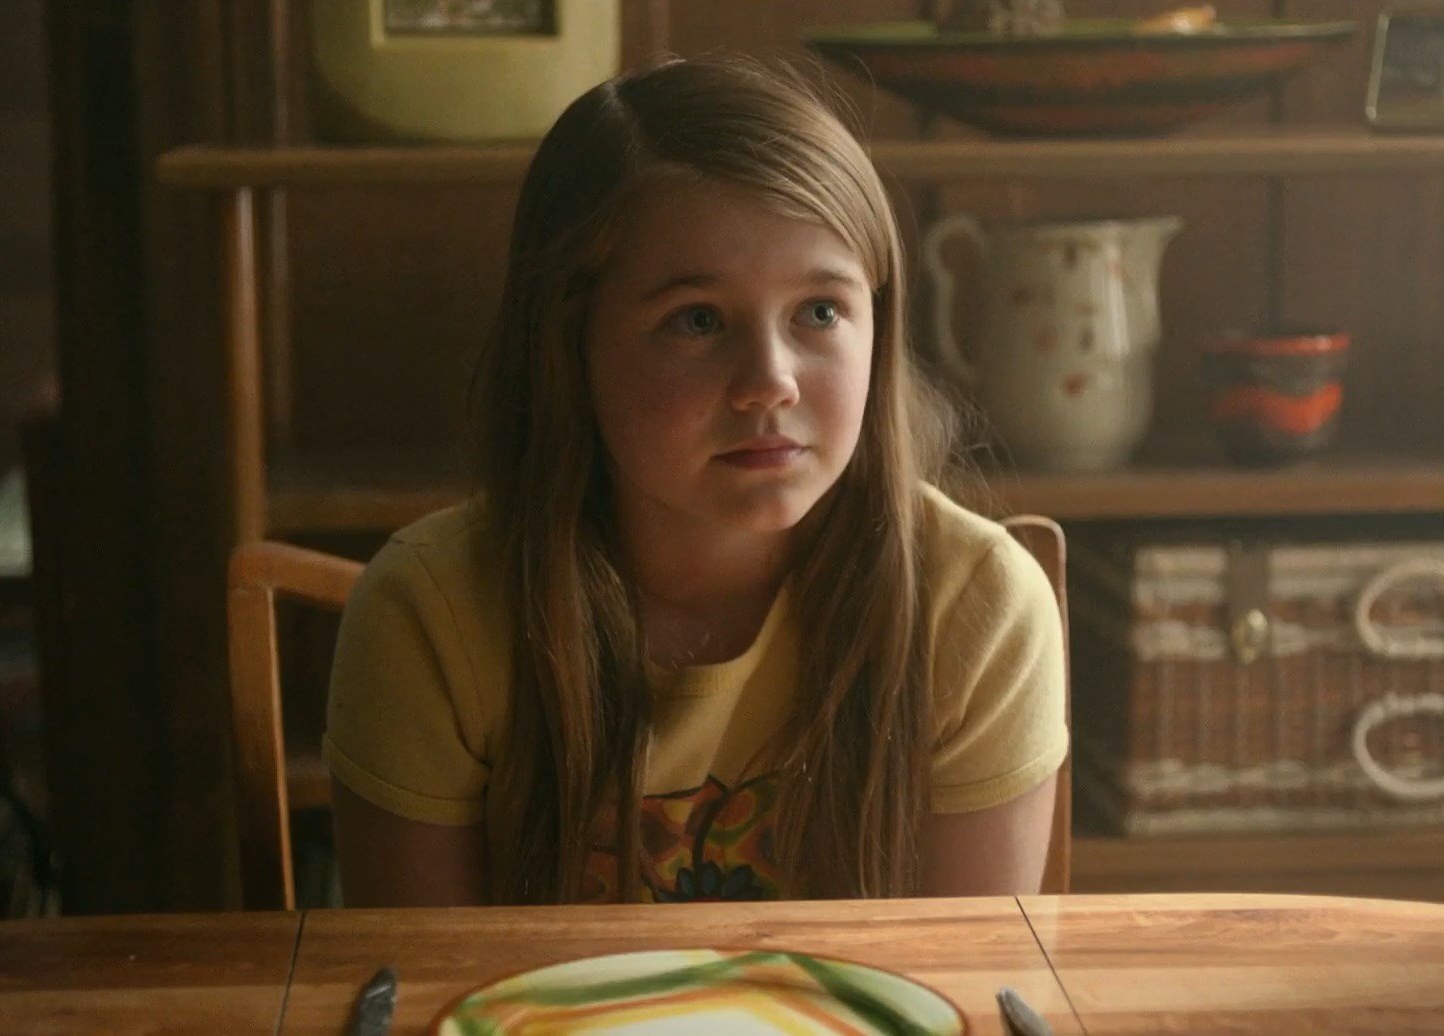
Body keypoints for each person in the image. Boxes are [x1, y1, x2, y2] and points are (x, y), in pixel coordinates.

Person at [324, 57, 1066, 906]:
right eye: (698, 320)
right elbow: (427, 976)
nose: (770, 381)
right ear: (568, 346)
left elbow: (968, 973)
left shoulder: (978, 609)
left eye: (820, 311)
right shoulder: (431, 616)